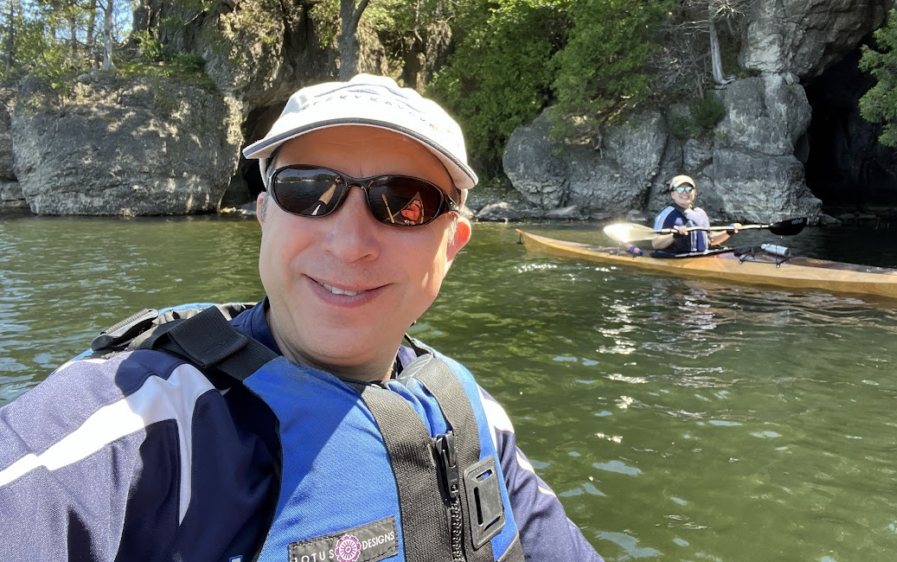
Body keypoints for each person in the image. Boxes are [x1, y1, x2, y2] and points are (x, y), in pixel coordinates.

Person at [0, 74, 603, 562]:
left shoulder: (477, 420)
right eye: (307, 191)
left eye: (404, 203)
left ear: (452, 244)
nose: (348, 244)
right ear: (264, 215)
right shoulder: (137, 429)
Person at [650, 174, 736, 257]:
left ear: (694, 192)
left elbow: (710, 240)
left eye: (688, 189)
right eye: (680, 189)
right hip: (674, 259)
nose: (685, 192)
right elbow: (656, 244)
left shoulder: (701, 213)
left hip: (701, 258)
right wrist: (674, 236)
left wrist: (728, 232)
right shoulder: (666, 215)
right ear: (673, 194)